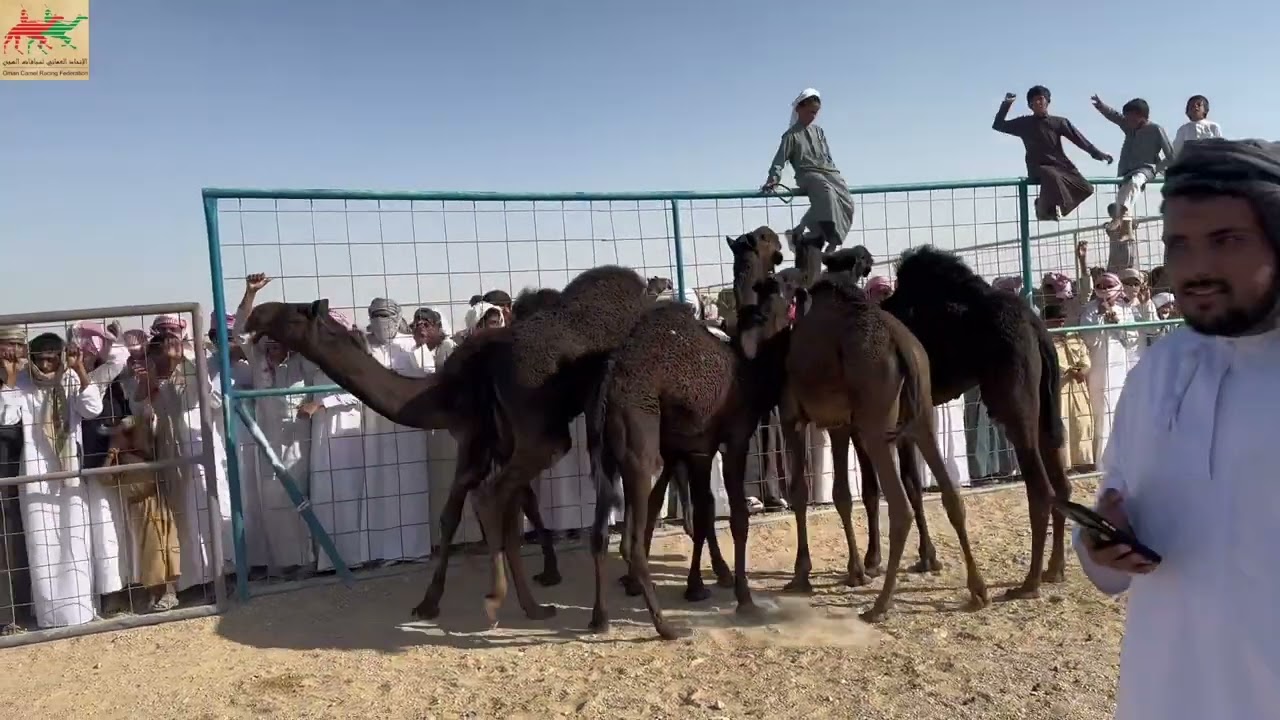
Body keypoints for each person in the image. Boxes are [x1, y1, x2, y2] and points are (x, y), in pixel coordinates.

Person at [1075, 138, 1280, 720]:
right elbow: (1113, 511)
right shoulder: (1158, 372)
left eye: (1226, 241)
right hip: (1163, 691)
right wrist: (1100, 543)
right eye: (1179, 245)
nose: (1198, 268)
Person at [0, 333, 103, 627]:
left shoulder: (70, 379)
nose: (46, 366)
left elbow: (92, 409)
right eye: (40, 359)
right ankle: (50, 617)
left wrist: (80, 369)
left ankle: (80, 611)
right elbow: (6, 418)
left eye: (51, 359)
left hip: (69, 475)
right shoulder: (22, 383)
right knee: (41, 546)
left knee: (76, 541)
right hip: (35, 477)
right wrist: (9, 378)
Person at [233, 274, 319, 576]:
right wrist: (249, 294)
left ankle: (306, 561)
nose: (273, 347)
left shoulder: (302, 364)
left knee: (299, 499)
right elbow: (240, 333)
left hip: (298, 440)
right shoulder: (258, 361)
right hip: (267, 442)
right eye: (268, 341)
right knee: (272, 502)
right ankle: (280, 565)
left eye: (278, 341)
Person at [361, 297, 430, 564]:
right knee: (382, 485)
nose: (382, 322)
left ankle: (416, 548)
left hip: (409, 425)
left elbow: (427, 371)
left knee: (412, 484)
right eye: (376, 316)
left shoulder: (409, 344)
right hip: (377, 428)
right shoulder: (365, 346)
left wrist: (421, 345)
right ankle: (385, 551)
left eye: (387, 316)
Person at [762, 88, 856, 274]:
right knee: (826, 194)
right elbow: (779, 161)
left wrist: (836, 174)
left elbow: (827, 156)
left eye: (816, 112)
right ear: (799, 109)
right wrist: (773, 179)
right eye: (810, 111)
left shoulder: (819, 132)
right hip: (808, 174)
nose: (814, 116)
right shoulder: (790, 136)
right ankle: (830, 238)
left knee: (847, 201)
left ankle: (799, 231)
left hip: (829, 172)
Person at [303, 309, 369, 572]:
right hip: (322, 435)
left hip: (346, 434)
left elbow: (360, 393)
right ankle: (329, 559)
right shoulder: (318, 360)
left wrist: (323, 402)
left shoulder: (352, 358)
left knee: (347, 490)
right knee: (324, 491)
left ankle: (353, 557)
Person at [993, 86, 1113, 221]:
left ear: (1047, 101)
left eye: (1040, 99)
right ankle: (1048, 208)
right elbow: (998, 125)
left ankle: (1047, 207)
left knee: (1087, 189)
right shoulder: (1024, 123)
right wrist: (1007, 104)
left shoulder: (1059, 122)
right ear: (1030, 106)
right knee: (1052, 176)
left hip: (1061, 165)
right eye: (1034, 101)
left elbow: (1078, 139)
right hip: (1038, 167)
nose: (1038, 103)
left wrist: (1097, 153)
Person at [1078, 271, 1142, 462]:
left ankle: (1124, 456)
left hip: (1120, 367)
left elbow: (1132, 339)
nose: (1105, 290)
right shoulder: (1090, 309)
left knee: (1121, 408)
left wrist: (1116, 321)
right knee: (1101, 411)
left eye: (1109, 286)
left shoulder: (1125, 309)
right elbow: (1088, 338)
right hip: (1098, 368)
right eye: (1101, 287)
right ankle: (1103, 460)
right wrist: (1100, 317)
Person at [1091, 95, 1175, 234]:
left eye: (1129, 117)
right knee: (1124, 193)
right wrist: (1101, 106)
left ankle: (1119, 216)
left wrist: (1156, 168)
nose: (1126, 120)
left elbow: (1171, 156)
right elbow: (1115, 116)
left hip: (1145, 168)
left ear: (1141, 116)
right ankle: (1126, 227)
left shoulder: (1155, 130)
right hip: (1126, 169)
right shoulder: (1129, 127)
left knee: (1135, 182)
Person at [0, 326, 31, 633]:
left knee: (19, 543)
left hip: (18, 474)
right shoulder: (11, 380)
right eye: (8, 345)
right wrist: (8, 379)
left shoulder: (27, 380)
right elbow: (4, 419)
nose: (14, 352)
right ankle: (7, 615)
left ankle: (22, 609)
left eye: (18, 347)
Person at [1044, 304, 1094, 471]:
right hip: (1058, 387)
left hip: (1078, 387)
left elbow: (1085, 358)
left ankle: (1083, 461)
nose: (1060, 323)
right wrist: (1072, 371)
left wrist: (1084, 370)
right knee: (1062, 423)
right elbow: (1052, 362)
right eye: (1056, 320)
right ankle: (1063, 465)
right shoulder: (1044, 339)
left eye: (1063, 319)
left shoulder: (1074, 337)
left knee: (1082, 422)